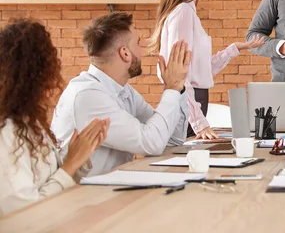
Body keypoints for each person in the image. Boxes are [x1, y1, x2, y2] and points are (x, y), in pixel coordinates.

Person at [51, 12, 191, 176]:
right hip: (83, 197)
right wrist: (172, 89)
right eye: (138, 43)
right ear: (125, 53)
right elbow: (151, 142)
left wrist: (177, 87)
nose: (142, 51)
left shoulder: (123, 91)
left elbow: (172, 139)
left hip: (110, 192)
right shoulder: (87, 95)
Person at [149, 0, 264, 139]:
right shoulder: (183, 13)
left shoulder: (188, 12)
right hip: (186, 105)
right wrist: (199, 123)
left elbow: (200, 70)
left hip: (193, 102)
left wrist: (235, 48)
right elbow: (180, 78)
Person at [0, 19, 109, 216]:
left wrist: (78, 157)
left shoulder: (30, 123)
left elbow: (56, 181)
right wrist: (70, 164)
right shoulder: (7, 132)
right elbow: (23, 213)